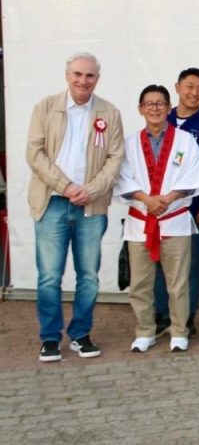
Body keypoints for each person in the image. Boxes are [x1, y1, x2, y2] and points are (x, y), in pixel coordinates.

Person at [26, 53, 124, 362]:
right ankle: (50, 337)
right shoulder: (45, 107)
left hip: (91, 208)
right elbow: (34, 153)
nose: (83, 81)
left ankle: (80, 334)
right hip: (53, 202)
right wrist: (65, 186)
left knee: (89, 276)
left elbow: (115, 159)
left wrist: (90, 190)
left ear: (98, 78)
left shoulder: (110, 112)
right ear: (67, 75)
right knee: (49, 276)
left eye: (90, 76)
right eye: (78, 74)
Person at [117, 85, 199, 353]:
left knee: (178, 281)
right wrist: (148, 200)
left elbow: (193, 176)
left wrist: (166, 199)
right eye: (149, 104)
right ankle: (145, 330)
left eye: (160, 104)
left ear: (169, 108)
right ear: (140, 109)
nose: (155, 109)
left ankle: (179, 330)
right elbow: (123, 178)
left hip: (174, 219)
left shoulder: (185, 141)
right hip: (140, 222)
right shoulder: (129, 144)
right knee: (140, 283)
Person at [154, 68, 199, 338]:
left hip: (194, 211)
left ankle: (187, 316)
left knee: (190, 265)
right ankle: (161, 314)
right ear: (177, 87)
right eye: (189, 86)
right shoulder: (162, 119)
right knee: (160, 263)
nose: (194, 93)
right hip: (161, 210)